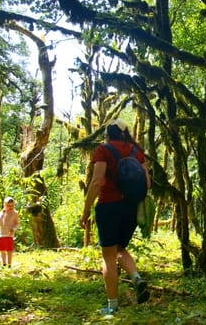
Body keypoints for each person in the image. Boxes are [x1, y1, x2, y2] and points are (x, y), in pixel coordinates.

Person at [79, 119, 151, 315]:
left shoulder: (104, 150)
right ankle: (136, 277)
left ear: (108, 133)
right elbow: (147, 183)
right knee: (119, 248)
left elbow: (96, 181)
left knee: (108, 256)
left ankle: (112, 306)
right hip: (131, 208)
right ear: (125, 133)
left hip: (108, 207)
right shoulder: (137, 151)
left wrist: (85, 211)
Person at [0, 197, 20, 268]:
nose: (10, 207)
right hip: (1, 234)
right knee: (2, 250)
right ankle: (4, 263)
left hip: (9, 235)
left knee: (9, 250)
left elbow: (17, 223)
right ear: (4, 205)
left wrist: (13, 229)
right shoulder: (1, 213)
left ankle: (9, 264)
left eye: (12, 206)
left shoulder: (15, 213)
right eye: (8, 206)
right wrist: (3, 214)